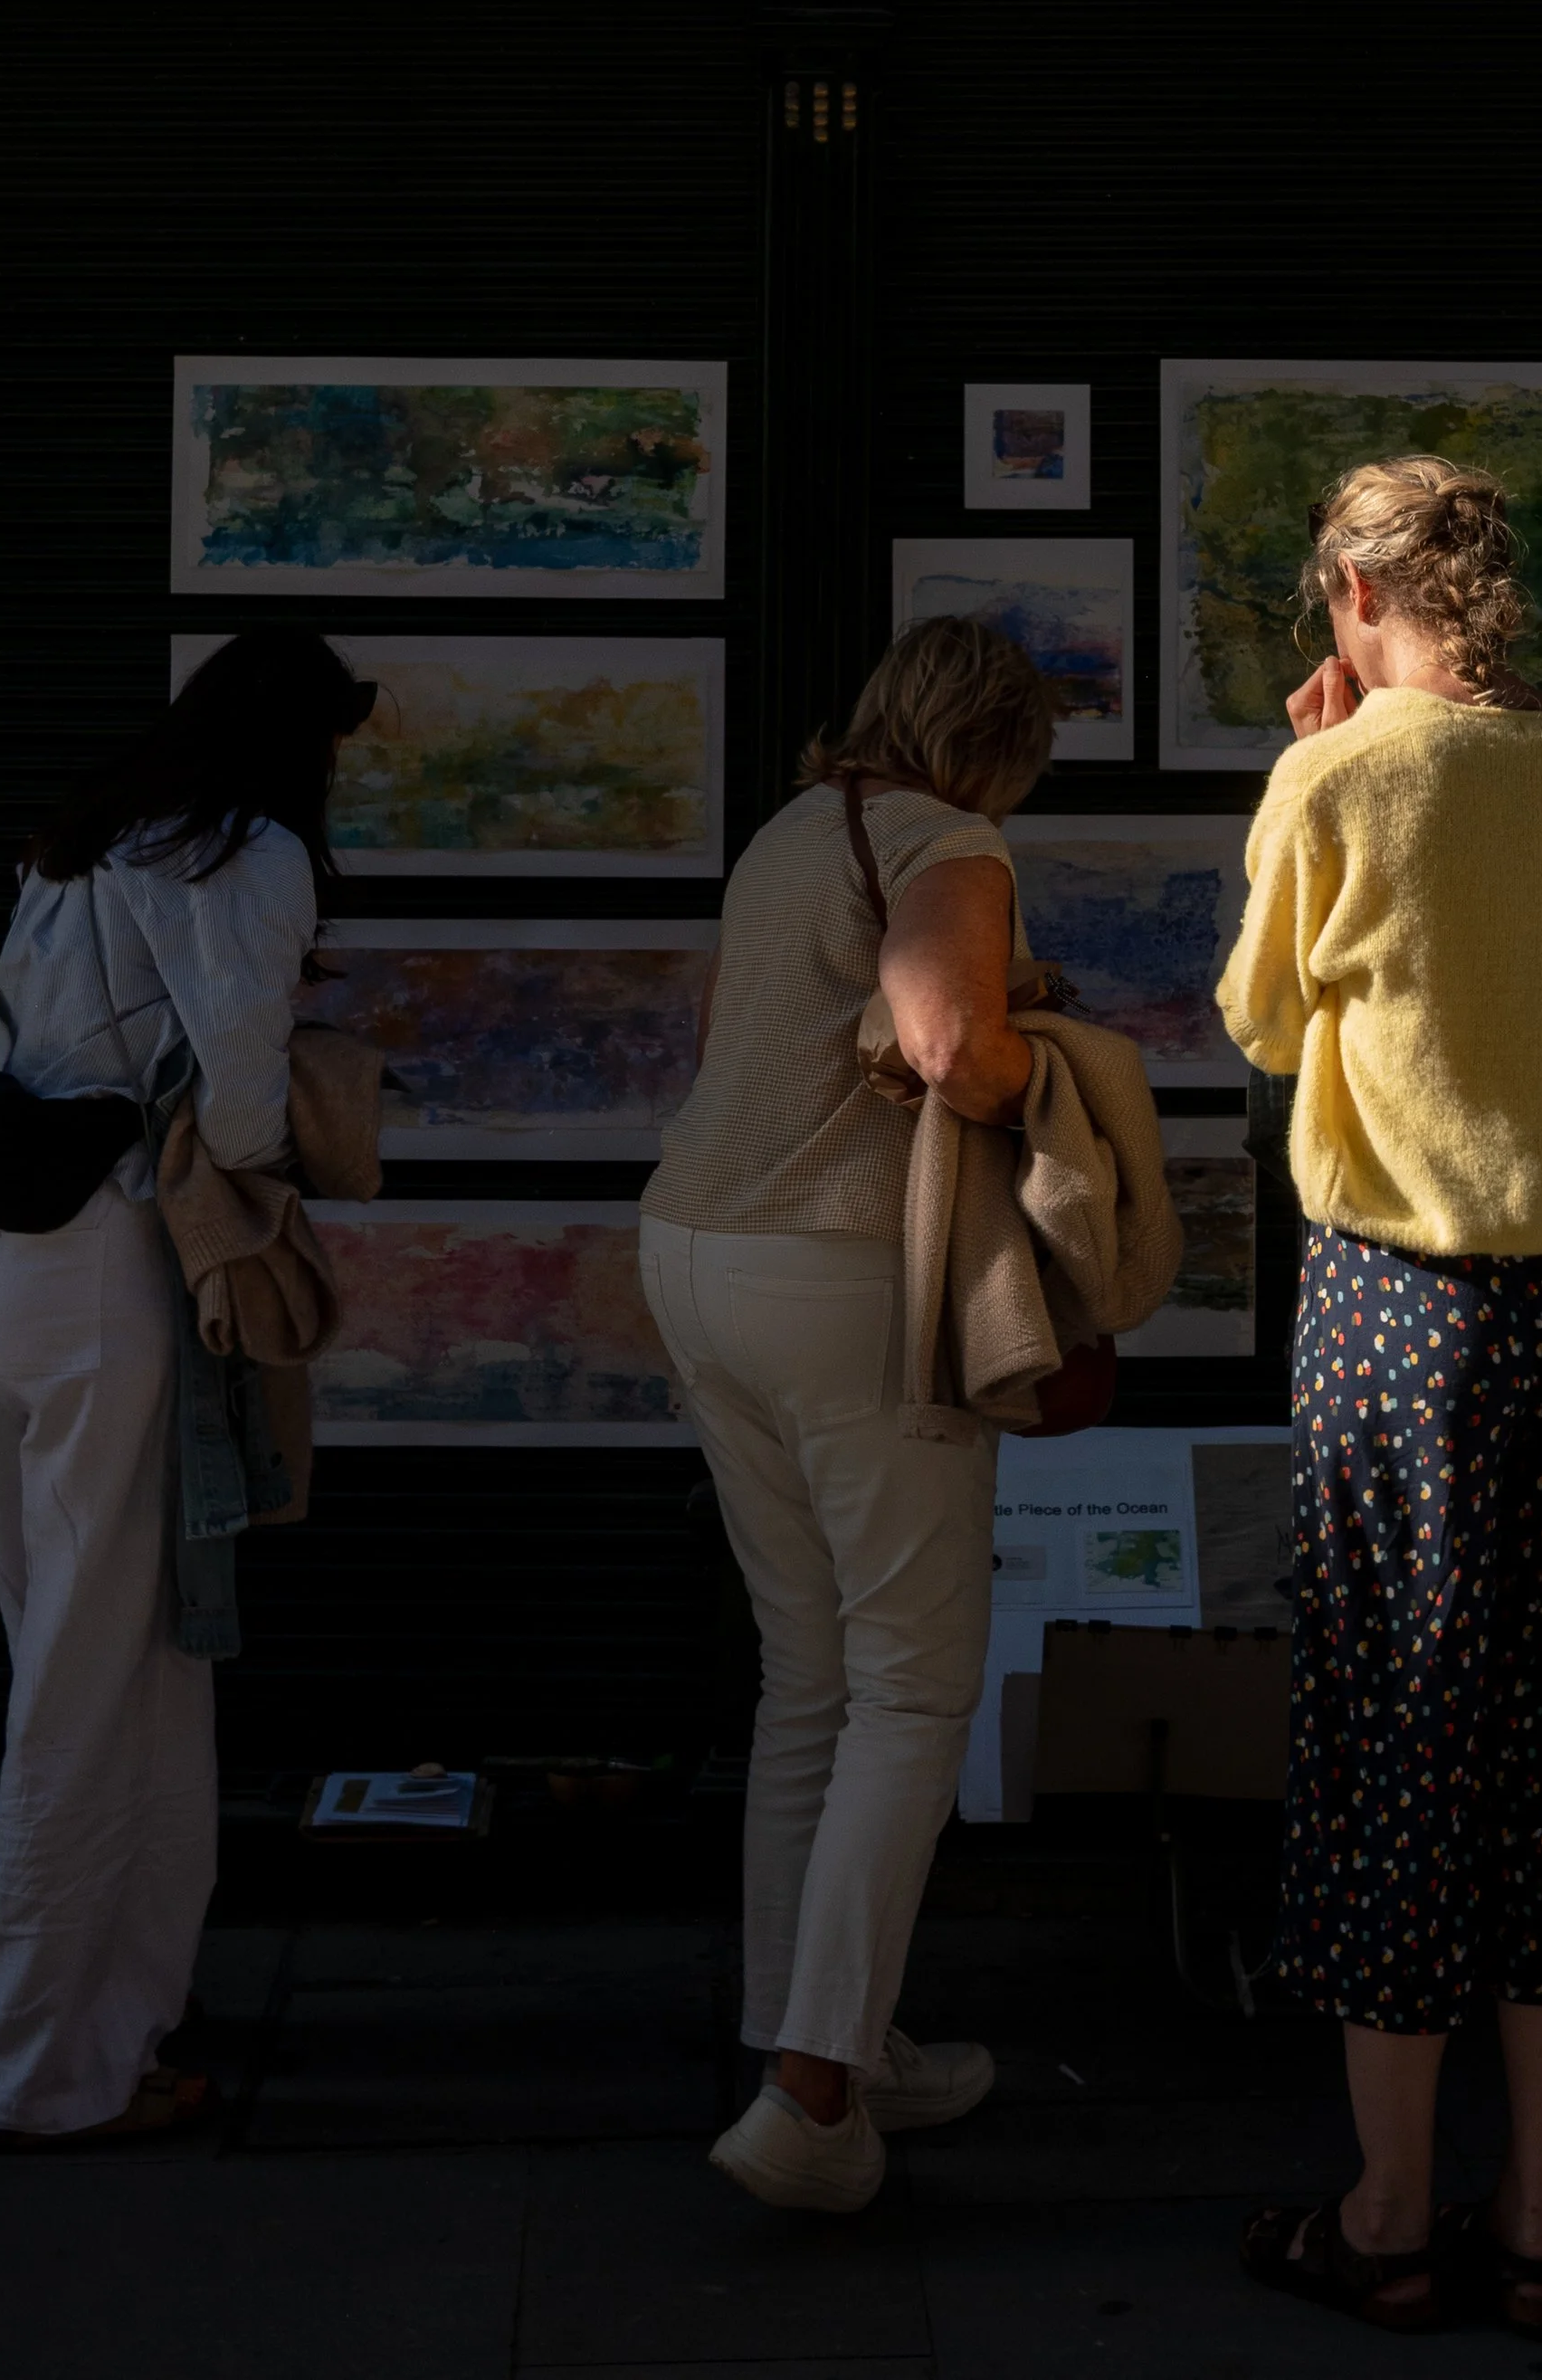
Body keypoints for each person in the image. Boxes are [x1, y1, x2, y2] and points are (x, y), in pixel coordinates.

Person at [1216, 458, 1542, 2338]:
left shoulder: (1331, 774)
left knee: (1391, 1727)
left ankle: (1390, 2210)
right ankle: (1539, 2221)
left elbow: (1261, 1017)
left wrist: (1310, 766)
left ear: (1349, 593)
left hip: (1400, 1309)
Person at [0, 626, 372, 2152]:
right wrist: (254, 1159)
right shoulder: (246, 850)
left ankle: (129, 2004)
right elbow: (241, 1080)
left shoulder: (84, 834)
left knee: (129, 1652)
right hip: (103, 1265)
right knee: (95, 1676)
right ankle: (46, 2068)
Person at [639, 617, 1053, 2213]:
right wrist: (1057, 1059)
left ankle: (824, 2034)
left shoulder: (790, 832)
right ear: (997, 743)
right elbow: (957, 1051)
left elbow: (726, 1043)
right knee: (911, 1687)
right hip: (837, 1273)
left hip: (695, 1248)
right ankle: (814, 2098)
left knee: (809, 1673)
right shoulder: (951, 837)